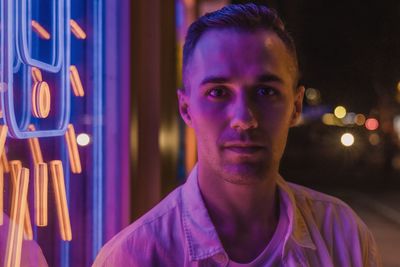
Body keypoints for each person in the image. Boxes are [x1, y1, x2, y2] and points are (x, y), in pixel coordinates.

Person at [93, 4, 382, 266]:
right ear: (186, 108)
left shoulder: (343, 237)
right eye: (218, 93)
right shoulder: (134, 256)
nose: (244, 119)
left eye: (265, 92)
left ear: (295, 107)